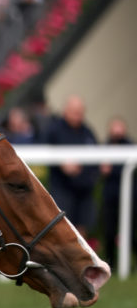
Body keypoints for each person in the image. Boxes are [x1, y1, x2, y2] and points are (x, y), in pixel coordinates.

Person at [42, 95, 99, 239]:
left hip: (84, 191)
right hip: (63, 190)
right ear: (66, 110)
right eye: (75, 112)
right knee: (63, 230)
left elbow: (95, 155)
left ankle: (82, 261)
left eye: (80, 112)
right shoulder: (54, 130)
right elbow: (43, 150)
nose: (78, 116)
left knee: (81, 232)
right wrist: (62, 164)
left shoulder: (87, 131)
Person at [100, 116, 135, 268]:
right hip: (110, 196)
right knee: (109, 231)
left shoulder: (130, 145)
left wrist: (111, 169)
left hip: (130, 197)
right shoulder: (105, 146)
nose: (117, 131)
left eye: (120, 127)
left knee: (132, 232)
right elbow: (101, 170)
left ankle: (128, 263)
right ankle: (111, 262)